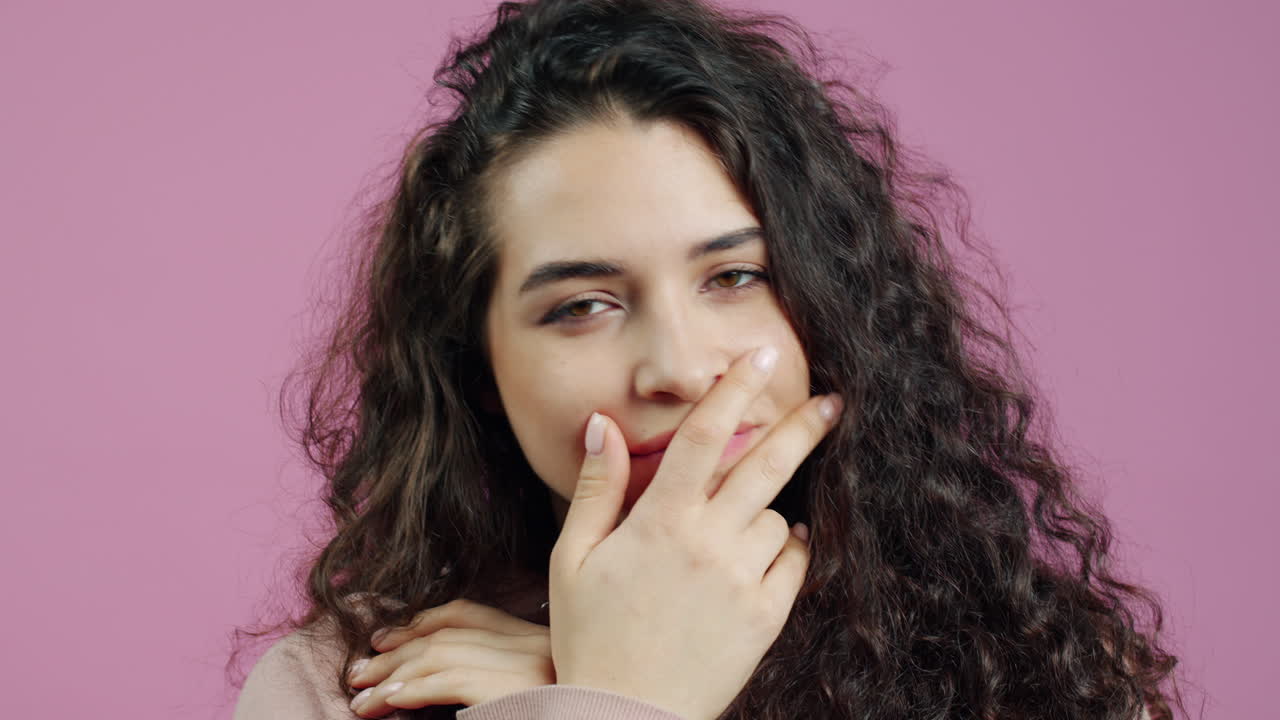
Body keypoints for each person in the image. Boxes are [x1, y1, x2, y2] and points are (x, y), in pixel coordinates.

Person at [230, 0, 1186, 718]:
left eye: (734, 278)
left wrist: (600, 686)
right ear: (478, 369)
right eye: (582, 306)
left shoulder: (1032, 667)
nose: (679, 371)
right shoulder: (351, 687)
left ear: (832, 306)